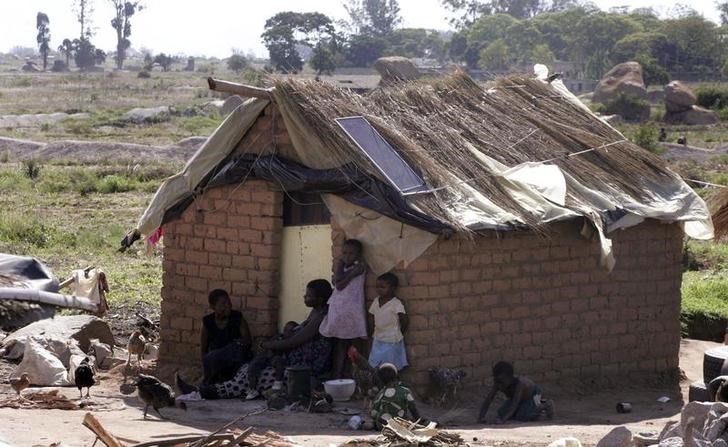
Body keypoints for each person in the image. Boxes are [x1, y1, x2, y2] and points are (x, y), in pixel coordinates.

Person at [177, 280, 334, 400]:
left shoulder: (320, 317)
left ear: (319, 299)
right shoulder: (316, 311)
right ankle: (205, 390)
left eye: (308, 296)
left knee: (255, 376)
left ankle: (203, 393)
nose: (304, 297)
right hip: (292, 361)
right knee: (247, 371)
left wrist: (266, 344)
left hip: (303, 368)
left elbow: (294, 342)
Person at [319, 239, 368, 379]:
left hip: (352, 312)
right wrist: (340, 265)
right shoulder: (344, 267)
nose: (347, 256)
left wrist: (341, 268)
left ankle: (359, 381)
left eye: (351, 254)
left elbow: (339, 284)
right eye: (344, 253)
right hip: (339, 311)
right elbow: (339, 280)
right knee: (340, 347)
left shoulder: (360, 267)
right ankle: (337, 380)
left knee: (356, 349)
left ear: (358, 255)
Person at [200, 289, 253, 384]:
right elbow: (204, 349)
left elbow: (248, 341)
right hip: (216, 363)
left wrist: (234, 346)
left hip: (235, 360)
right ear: (213, 307)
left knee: (233, 349)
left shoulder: (237, 317)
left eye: (229, 302)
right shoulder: (208, 322)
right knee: (212, 357)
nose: (228, 306)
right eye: (223, 304)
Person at [478, 361, 554, 424]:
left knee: (522, 416)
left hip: (531, 396)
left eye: (501, 381)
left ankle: (545, 405)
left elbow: (515, 404)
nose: (499, 384)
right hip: (517, 399)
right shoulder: (498, 383)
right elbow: (488, 401)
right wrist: (481, 417)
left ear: (510, 378)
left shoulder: (519, 384)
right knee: (501, 412)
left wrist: (503, 420)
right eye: (496, 380)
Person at [244, 321, 299, 400]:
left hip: (277, 359)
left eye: (290, 331)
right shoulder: (279, 337)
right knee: (254, 364)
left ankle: (277, 386)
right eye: (285, 330)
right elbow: (268, 345)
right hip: (267, 356)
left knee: (278, 361)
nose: (287, 333)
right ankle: (252, 389)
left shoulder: (294, 341)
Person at [368, 272, 408, 371]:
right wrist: (370, 330)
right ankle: (379, 383)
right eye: (377, 287)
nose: (379, 289)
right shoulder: (376, 301)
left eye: (383, 287)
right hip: (378, 337)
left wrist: (399, 332)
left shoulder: (396, 303)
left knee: (391, 365)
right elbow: (371, 316)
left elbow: (404, 320)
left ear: (393, 288)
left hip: (392, 340)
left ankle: (392, 383)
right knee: (376, 363)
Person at [370, 363, 420, 430]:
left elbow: (373, 413)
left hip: (383, 427)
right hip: (401, 426)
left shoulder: (381, 393)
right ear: (396, 375)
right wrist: (419, 423)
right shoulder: (405, 392)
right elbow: (414, 410)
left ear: (380, 379)